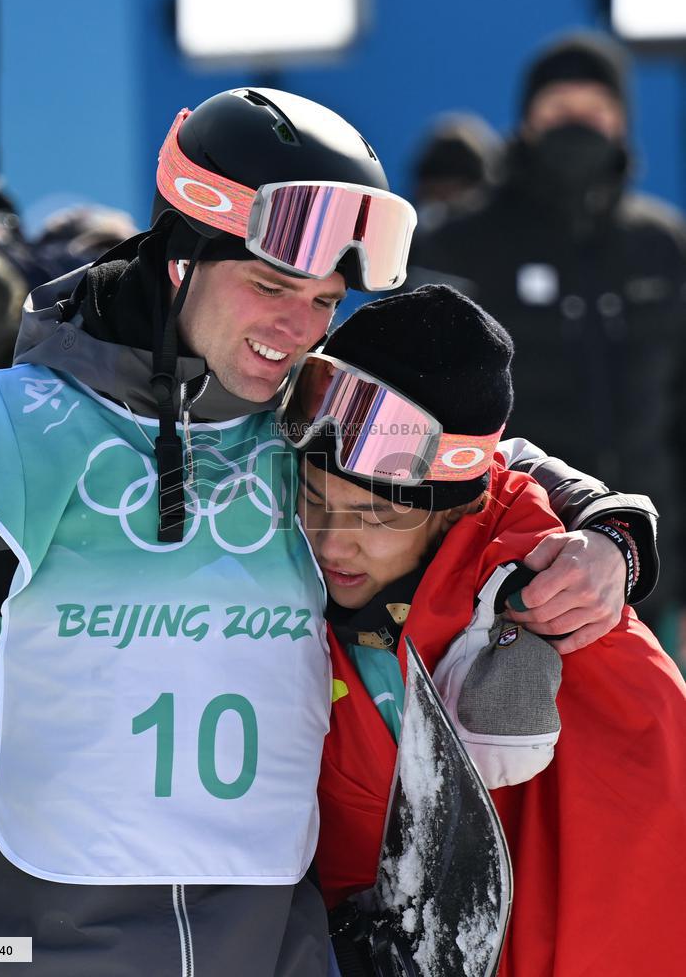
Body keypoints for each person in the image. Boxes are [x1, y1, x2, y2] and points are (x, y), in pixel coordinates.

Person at [0, 88, 657, 976]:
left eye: (323, 302)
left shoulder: (312, 426)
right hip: (30, 950)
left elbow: (477, 464)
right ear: (181, 257)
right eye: (269, 286)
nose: (295, 331)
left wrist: (606, 528)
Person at [277, 284, 686, 976]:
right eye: (312, 499)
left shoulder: (574, 625)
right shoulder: (286, 584)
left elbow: (637, 903)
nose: (332, 541)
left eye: (377, 516)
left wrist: (614, 526)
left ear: (448, 512)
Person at [409, 31, 686, 665]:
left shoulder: (662, 246)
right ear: (527, 120)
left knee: (656, 754)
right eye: (559, 110)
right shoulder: (461, 243)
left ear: (622, 123)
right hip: (510, 572)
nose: (577, 127)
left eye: (594, 112)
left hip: (650, 570)